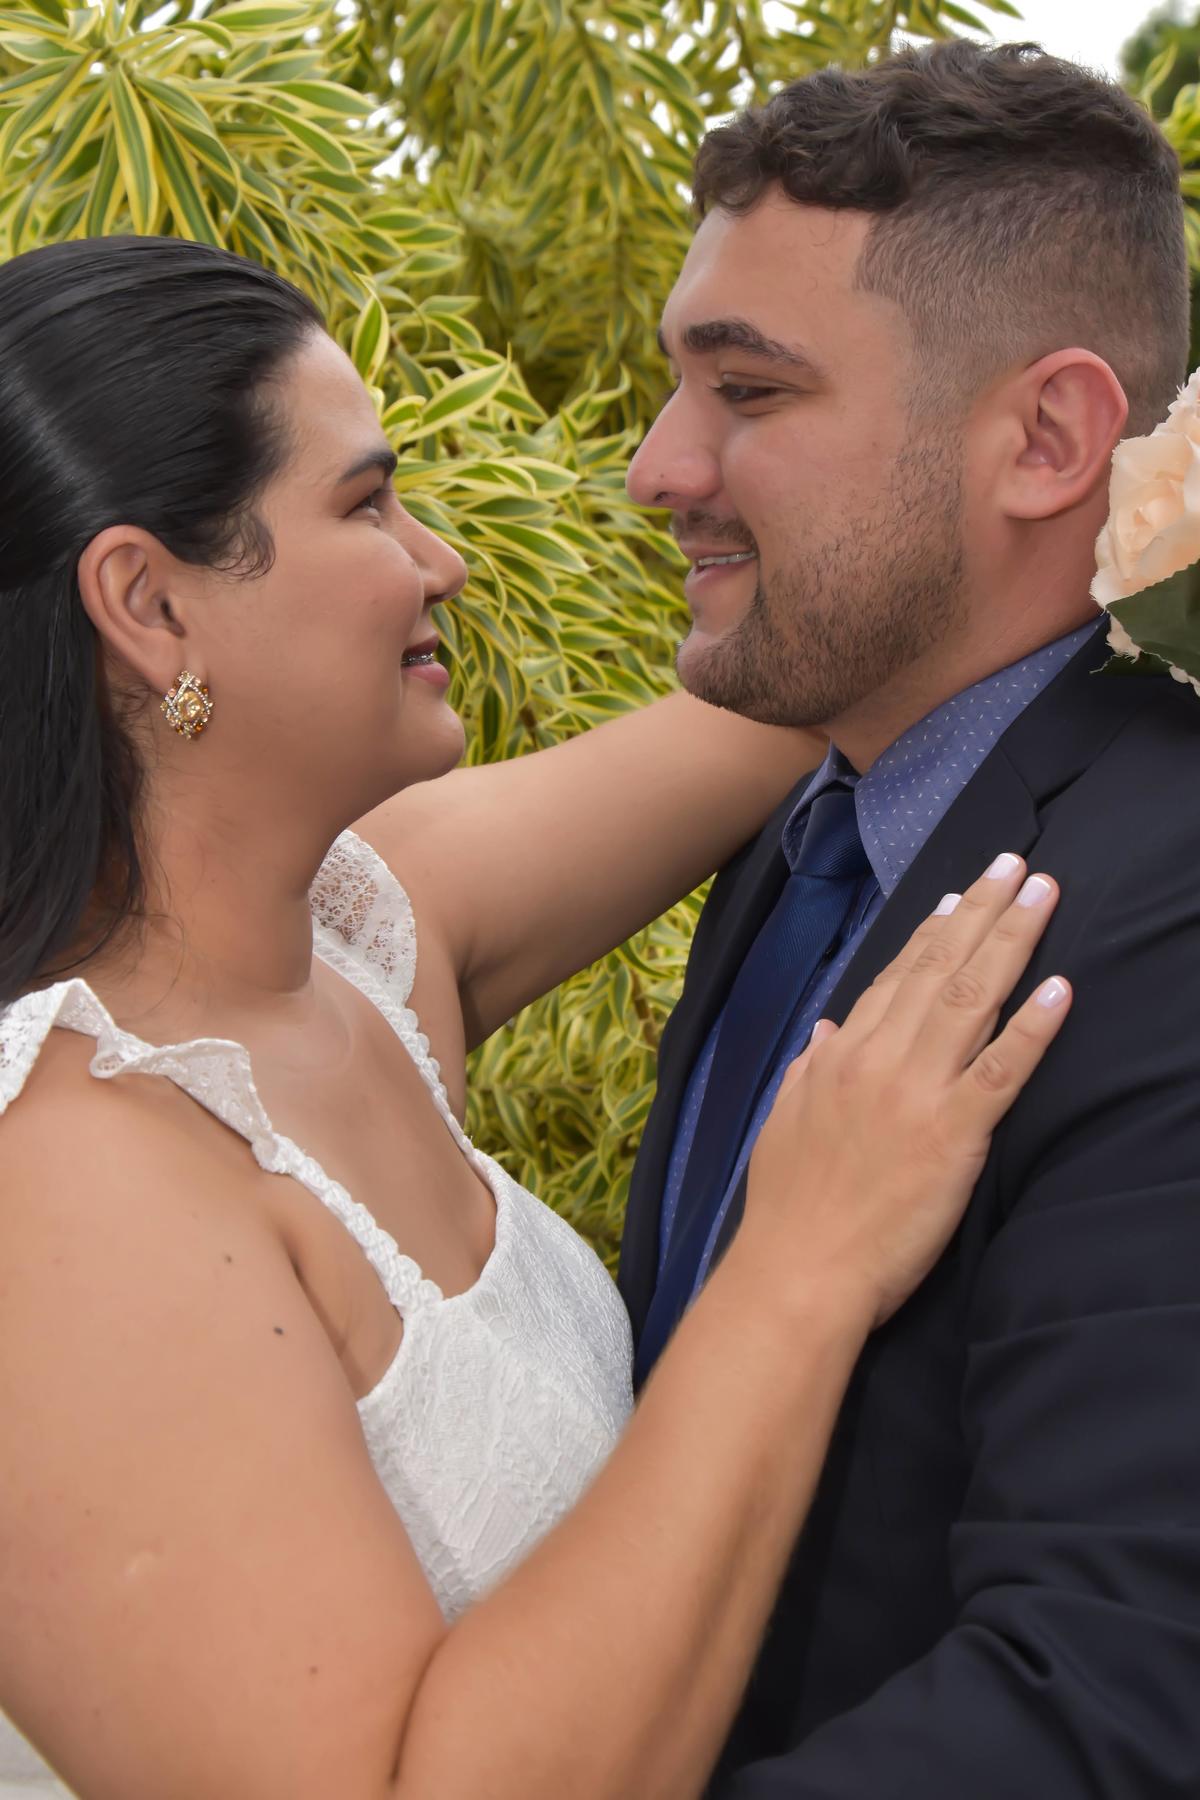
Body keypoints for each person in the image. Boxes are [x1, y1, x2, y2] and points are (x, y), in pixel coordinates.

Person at [0, 233, 1068, 1799]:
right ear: (149, 603)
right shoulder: (66, 1187)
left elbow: (806, 682)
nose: (441, 560)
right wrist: (804, 1265)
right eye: (367, 504)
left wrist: (1080, 476)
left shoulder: (361, 942)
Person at [619, 36, 1200, 1798]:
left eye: (750, 390)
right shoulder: (820, 827)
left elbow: (1116, 1700)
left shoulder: (1167, 910)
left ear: (1047, 438)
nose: (658, 468)